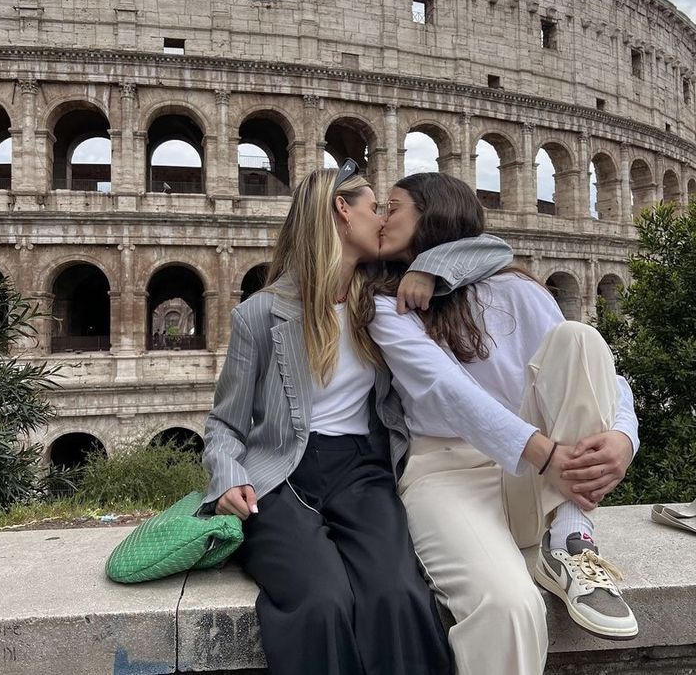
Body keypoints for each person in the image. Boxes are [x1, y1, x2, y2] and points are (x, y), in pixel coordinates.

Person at [200, 161, 475, 675]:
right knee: (321, 601)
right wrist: (228, 477)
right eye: (375, 208)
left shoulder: (388, 302)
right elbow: (225, 425)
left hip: (363, 472)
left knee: (398, 594)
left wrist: (427, 269)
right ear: (342, 212)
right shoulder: (261, 315)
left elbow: (485, 248)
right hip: (279, 478)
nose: (383, 221)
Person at [367, 172, 640, 675]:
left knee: (580, 339)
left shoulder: (517, 288)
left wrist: (624, 436)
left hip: (538, 480)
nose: (381, 218)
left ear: (433, 215)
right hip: (448, 474)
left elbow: (599, 374)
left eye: (393, 207)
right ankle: (562, 534)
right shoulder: (386, 304)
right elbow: (445, 390)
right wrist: (545, 453)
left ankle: (571, 541)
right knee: (507, 606)